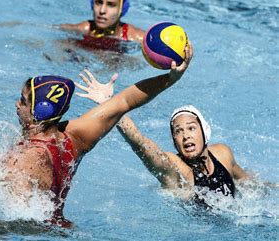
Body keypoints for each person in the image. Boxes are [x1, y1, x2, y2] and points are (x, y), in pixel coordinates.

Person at [2, 44, 192, 227]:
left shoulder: (27, 158)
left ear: (41, 111)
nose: (17, 104)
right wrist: (171, 78)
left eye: (24, 101)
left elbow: (19, 217)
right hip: (63, 228)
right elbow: (125, 100)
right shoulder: (74, 137)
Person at [75, 68, 259, 203]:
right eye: (178, 131)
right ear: (174, 141)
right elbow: (139, 143)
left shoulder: (223, 154)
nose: (185, 136)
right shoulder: (177, 171)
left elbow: (246, 181)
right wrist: (109, 105)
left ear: (205, 132)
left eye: (191, 128)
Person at [59, 0, 145, 52]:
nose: (102, 10)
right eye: (99, 2)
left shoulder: (135, 36)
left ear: (122, 8)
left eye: (111, 4)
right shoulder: (85, 28)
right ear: (92, 3)